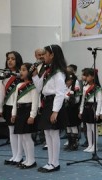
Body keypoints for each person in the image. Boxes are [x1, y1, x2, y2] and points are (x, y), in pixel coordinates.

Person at [31, 44, 67, 173]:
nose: (43, 57)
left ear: (52, 55)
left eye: (45, 54)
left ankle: (55, 162)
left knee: (53, 133)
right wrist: (35, 76)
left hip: (54, 104)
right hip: (47, 103)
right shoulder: (47, 70)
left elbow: (60, 93)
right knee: (47, 133)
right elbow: (40, 88)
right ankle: (50, 161)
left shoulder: (58, 73)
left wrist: (55, 111)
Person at [11, 63, 39, 169]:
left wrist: (32, 115)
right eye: (20, 70)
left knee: (27, 137)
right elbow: (15, 101)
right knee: (21, 137)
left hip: (28, 112)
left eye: (24, 70)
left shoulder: (33, 86)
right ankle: (27, 159)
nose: (21, 72)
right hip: (20, 112)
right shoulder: (18, 86)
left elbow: (35, 102)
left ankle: (31, 160)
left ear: (30, 72)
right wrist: (14, 114)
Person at [0, 51, 23, 165]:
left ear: (17, 60)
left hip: (18, 107)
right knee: (11, 131)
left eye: (13, 58)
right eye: (8, 58)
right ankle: (14, 155)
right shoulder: (4, 75)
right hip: (8, 106)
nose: (10, 61)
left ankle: (20, 156)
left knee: (19, 132)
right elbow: (1, 92)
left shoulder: (21, 74)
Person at [79, 68, 102, 153]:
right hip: (86, 107)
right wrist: (81, 111)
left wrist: (98, 113)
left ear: (93, 77)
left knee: (93, 128)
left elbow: (100, 100)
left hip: (94, 107)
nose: (86, 77)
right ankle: (90, 145)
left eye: (87, 75)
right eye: (85, 75)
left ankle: (95, 146)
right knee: (88, 128)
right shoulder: (85, 87)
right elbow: (83, 100)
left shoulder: (97, 88)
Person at [63, 68, 81, 151]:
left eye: (69, 80)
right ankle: (70, 142)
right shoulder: (65, 87)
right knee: (67, 126)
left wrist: (66, 97)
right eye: (66, 80)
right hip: (66, 109)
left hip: (73, 109)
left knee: (73, 125)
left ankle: (75, 143)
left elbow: (76, 100)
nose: (67, 82)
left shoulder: (75, 88)